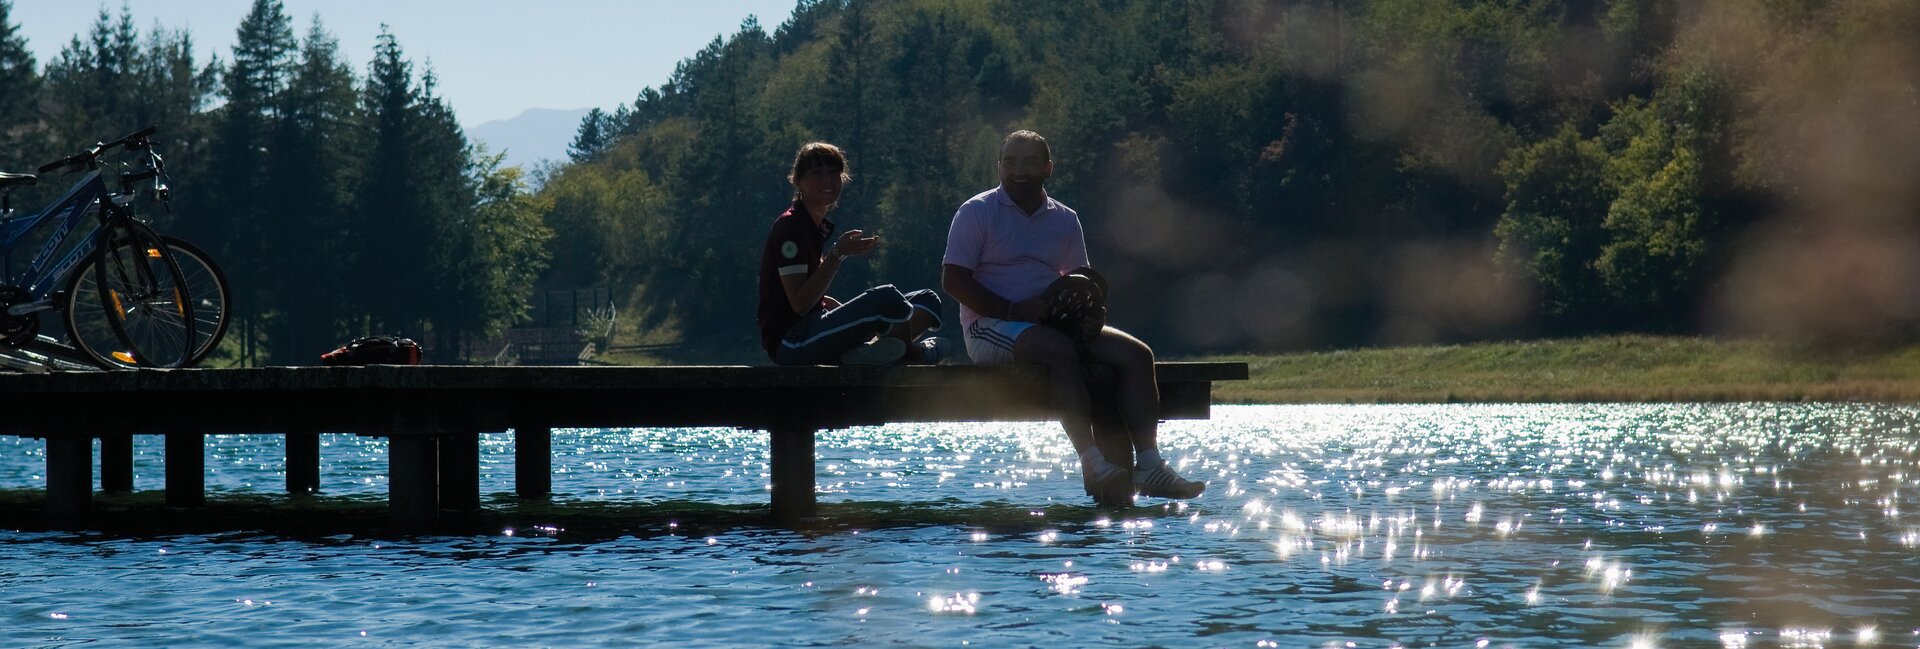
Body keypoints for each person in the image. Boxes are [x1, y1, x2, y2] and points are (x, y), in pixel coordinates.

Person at [940, 130, 1205, 501]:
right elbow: (953, 281)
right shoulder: (977, 212)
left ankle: (1149, 465)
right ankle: (1093, 462)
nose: (1018, 170)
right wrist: (1015, 310)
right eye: (1010, 162)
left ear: (1048, 168)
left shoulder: (1065, 218)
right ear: (999, 167)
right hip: (991, 326)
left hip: (1054, 324)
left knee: (1137, 355)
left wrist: (1091, 317)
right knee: (1056, 349)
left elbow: (1083, 281)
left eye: (1030, 162)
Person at [757, 142, 949, 365]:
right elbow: (800, 304)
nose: (827, 180)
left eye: (833, 172)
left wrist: (840, 309)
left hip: (816, 327)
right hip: (793, 342)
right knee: (887, 298)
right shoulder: (790, 226)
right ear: (798, 180)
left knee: (926, 300)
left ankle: (870, 353)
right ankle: (913, 354)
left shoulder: (811, 226)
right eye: (817, 173)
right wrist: (837, 254)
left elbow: (809, 297)